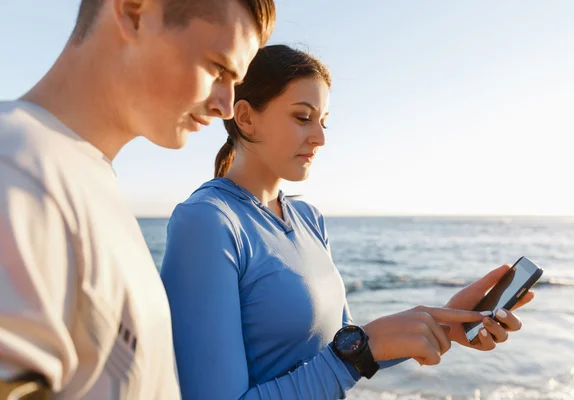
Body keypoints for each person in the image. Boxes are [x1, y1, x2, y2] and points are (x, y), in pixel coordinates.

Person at [160, 44, 535, 399]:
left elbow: (339, 353)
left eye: (323, 121)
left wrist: (447, 324)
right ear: (245, 118)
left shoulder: (308, 218)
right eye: (303, 117)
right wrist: (360, 349)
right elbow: (346, 358)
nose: (320, 137)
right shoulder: (207, 223)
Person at [0, 0, 275, 398]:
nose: (225, 106)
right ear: (133, 12)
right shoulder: (19, 172)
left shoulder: (77, 177)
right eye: (218, 68)